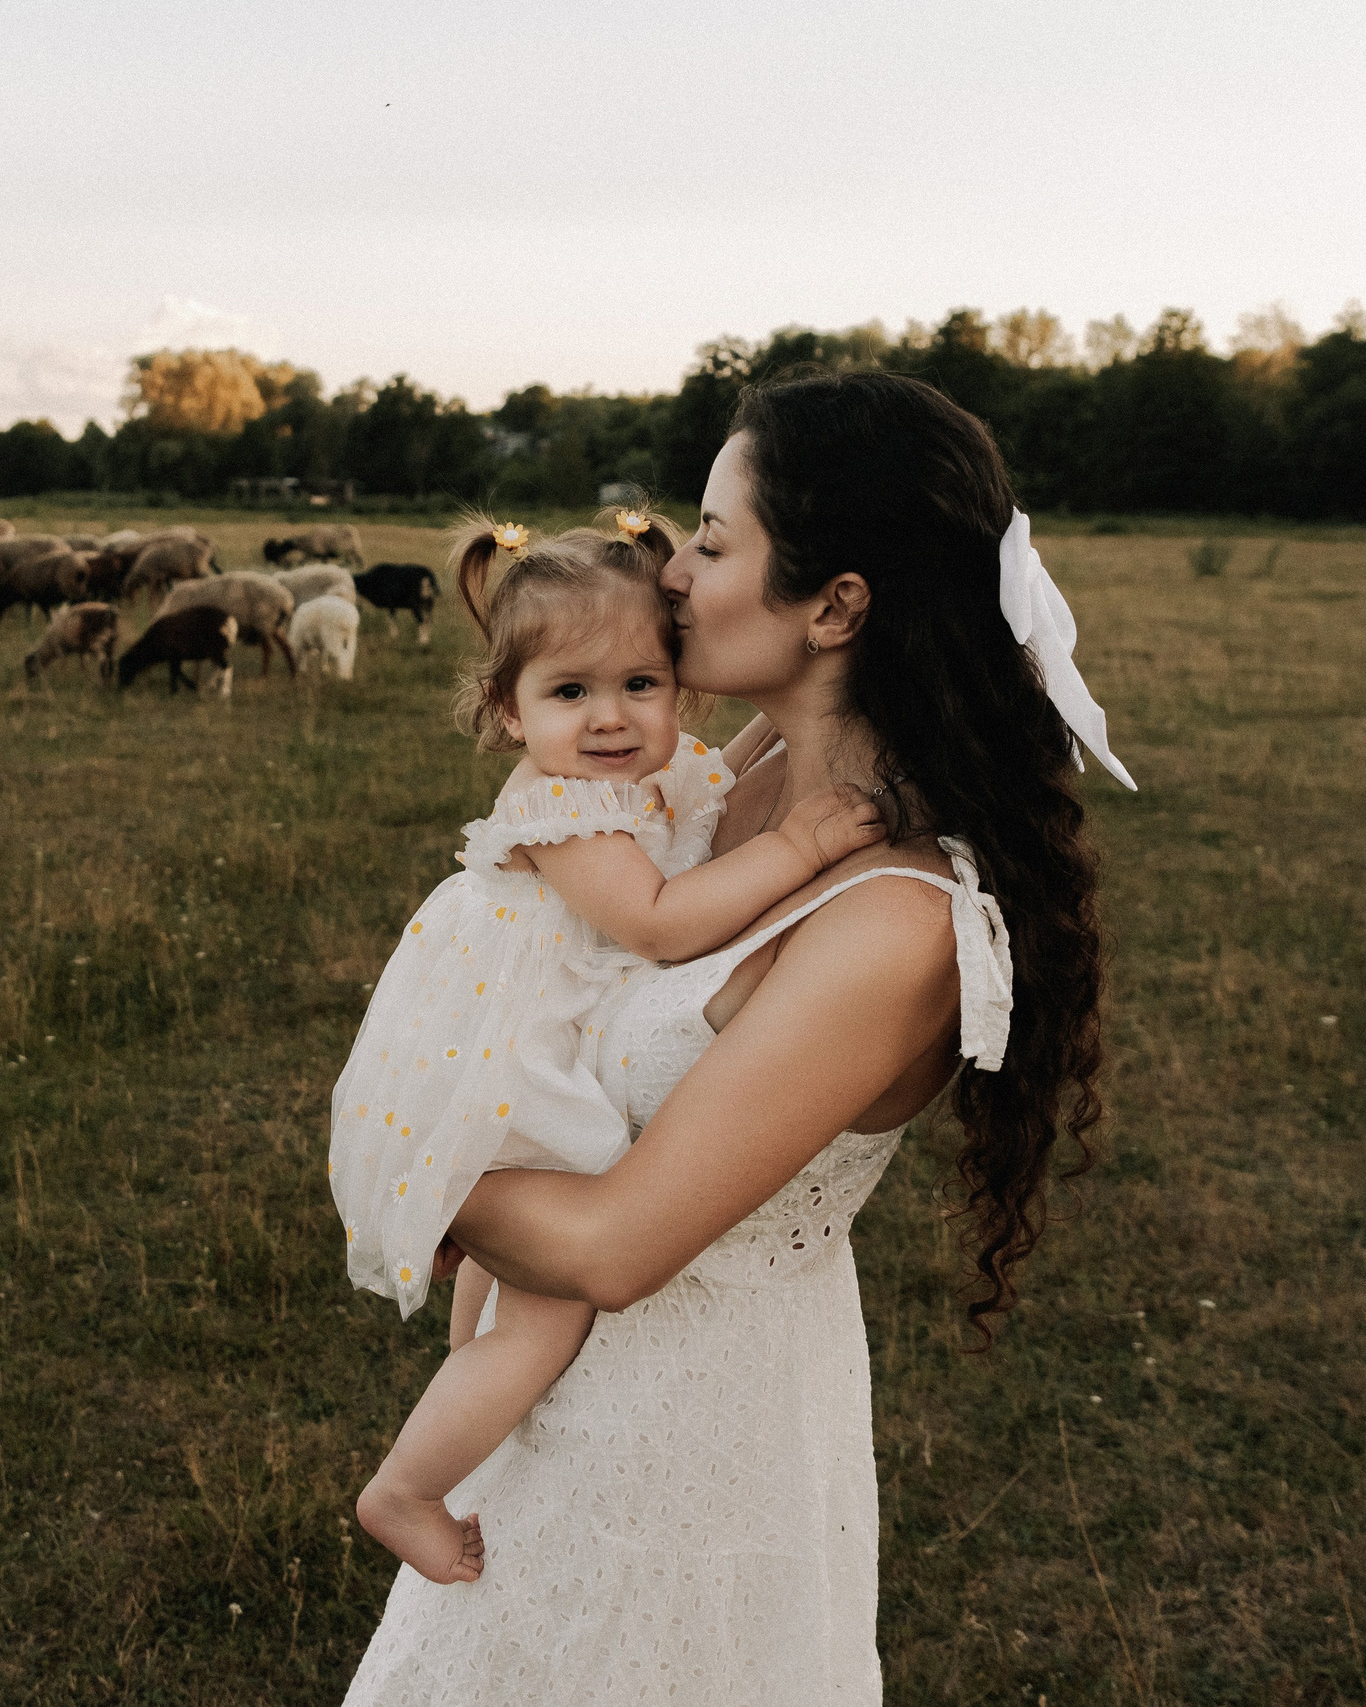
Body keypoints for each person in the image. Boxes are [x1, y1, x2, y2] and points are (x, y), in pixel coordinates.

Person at [343, 370, 1133, 1704]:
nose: (670, 574)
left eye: (711, 543)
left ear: (834, 607)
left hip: (684, 1460)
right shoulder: (744, 773)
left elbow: (612, 1247)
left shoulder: (893, 923)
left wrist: (427, 1168)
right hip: (543, 1422)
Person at [333, 512, 885, 1586]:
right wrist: (796, 844)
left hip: (530, 1045)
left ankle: (467, 1381)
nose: (611, 717)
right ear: (509, 711)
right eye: (570, 692)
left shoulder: (642, 773)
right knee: (547, 1315)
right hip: (516, 1059)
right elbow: (661, 923)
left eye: (641, 684)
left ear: (678, 689)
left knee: (499, 1298)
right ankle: (405, 1488)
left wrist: (778, 735)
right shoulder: (563, 807)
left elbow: (715, 773)